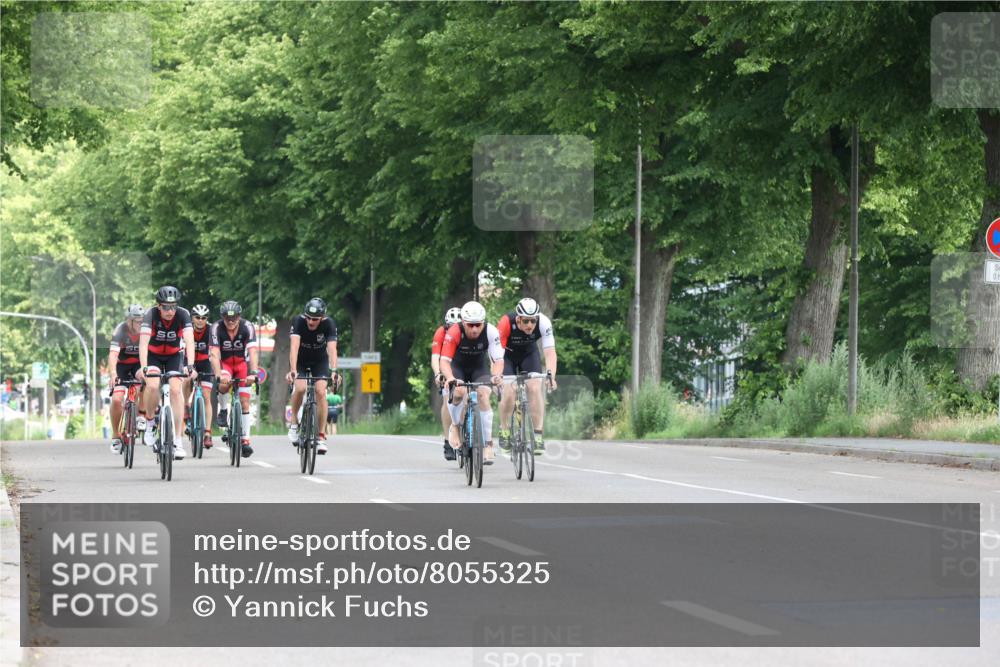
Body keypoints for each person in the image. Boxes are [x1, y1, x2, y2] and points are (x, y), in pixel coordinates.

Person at [136, 286, 197, 459]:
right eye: (166, 307)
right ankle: (149, 422)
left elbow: (190, 342)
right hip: (153, 356)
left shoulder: (183, 314)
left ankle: (177, 440)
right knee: (153, 386)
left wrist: (191, 364)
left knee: (176, 391)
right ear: (158, 306)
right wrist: (144, 367)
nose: (170, 311)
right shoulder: (151, 315)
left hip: (174, 356)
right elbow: (143, 344)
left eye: (173, 307)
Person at [439, 301, 504, 464]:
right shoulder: (454, 332)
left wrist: (496, 376)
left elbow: (498, 360)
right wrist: (450, 378)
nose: (475, 329)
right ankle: (455, 425)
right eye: (470, 325)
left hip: (478, 368)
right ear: (463, 323)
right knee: (458, 393)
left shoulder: (491, 331)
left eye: (478, 325)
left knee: (483, 395)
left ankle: (488, 444)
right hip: (458, 367)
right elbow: (444, 361)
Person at [497, 297, 558, 455]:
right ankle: (504, 430)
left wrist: (551, 375)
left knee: (534, 387)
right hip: (506, 356)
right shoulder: (506, 322)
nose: (530, 325)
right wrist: (497, 376)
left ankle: (537, 435)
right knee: (509, 392)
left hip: (529, 354)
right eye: (526, 321)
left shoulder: (543, 322)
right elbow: (496, 354)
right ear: (518, 319)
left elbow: (550, 353)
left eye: (533, 321)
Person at [285, 297, 339, 455]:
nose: (310, 321)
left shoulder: (329, 324)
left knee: (321, 391)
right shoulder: (298, 321)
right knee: (300, 388)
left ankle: (320, 436)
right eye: (308, 317)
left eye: (315, 319)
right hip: (300, 360)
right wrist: (293, 369)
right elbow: (294, 347)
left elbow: (332, 350)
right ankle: (294, 423)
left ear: (322, 318)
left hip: (319, 361)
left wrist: (334, 371)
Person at [210, 300, 259, 458]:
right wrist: (218, 375)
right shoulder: (216, 327)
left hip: (241, 365)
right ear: (222, 318)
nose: (231, 322)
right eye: (227, 319)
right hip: (225, 364)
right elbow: (214, 354)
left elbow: (252, 352)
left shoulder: (247, 327)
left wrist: (254, 372)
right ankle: (223, 410)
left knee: (245, 402)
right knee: (224, 385)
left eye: (234, 318)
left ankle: (245, 440)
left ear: (239, 317)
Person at [107, 304, 144, 453]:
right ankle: (116, 436)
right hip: (121, 366)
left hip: (138, 365)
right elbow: (113, 355)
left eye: (143, 321)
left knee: (144, 380)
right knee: (116, 399)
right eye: (137, 321)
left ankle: (140, 414)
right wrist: (113, 374)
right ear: (129, 321)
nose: (141, 324)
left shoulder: (147, 331)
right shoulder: (120, 331)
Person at [432, 306, 463, 461]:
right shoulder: (441, 332)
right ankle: (447, 441)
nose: (454, 330)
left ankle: (472, 435)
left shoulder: (468, 331)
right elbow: (435, 357)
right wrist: (438, 373)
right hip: (448, 365)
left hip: (464, 363)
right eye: (451, 327)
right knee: (447, 400)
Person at [183, 304, 215, 450]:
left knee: (207, 396)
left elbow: (216, 350)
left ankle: (207, 433)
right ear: (192, 318)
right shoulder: (186, 329)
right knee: (186, 378)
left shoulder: (211, 330)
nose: (200, 321)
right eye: (197, 317)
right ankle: (185, 405)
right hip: (188, 361)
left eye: (204, 318)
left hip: (205, 363)